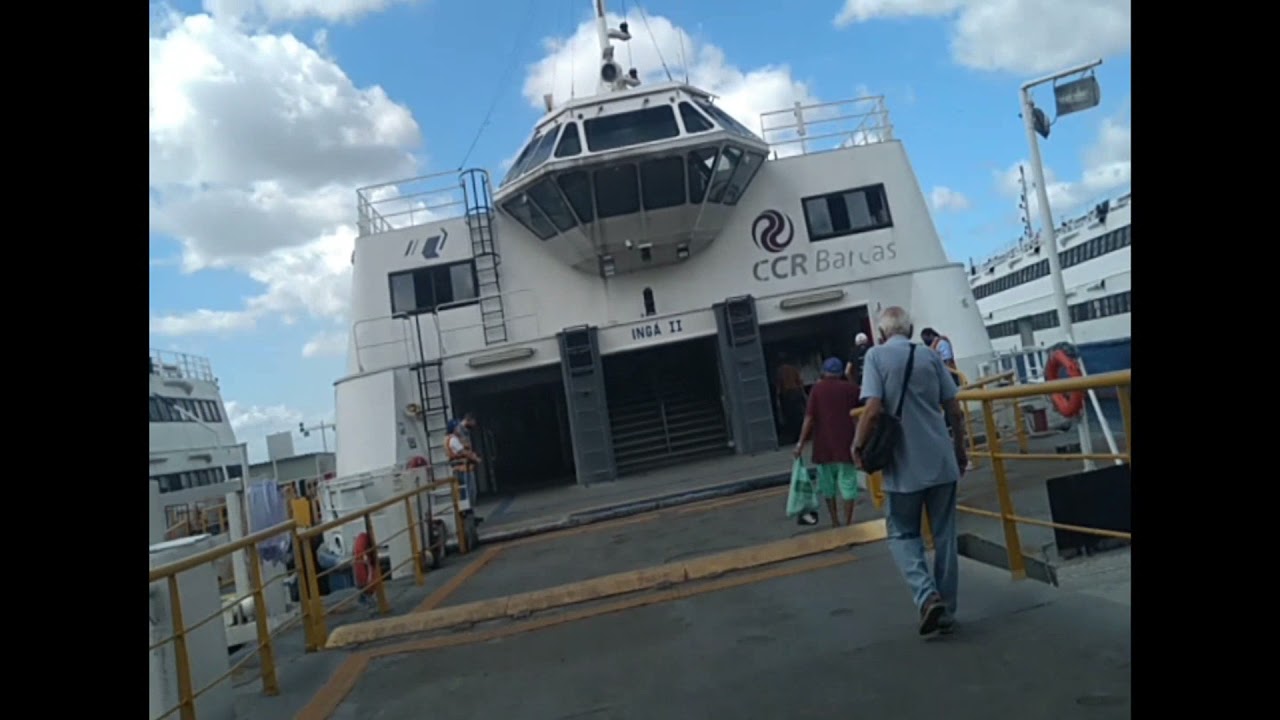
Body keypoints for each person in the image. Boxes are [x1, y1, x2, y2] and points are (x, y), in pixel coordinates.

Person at [854, 307, 968, 636]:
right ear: (911, 328)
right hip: (941, 459)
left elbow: (873, 409)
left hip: (903, 466)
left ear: (881, 333)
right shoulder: (930, 356)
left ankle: (927, 596)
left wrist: (857, 445)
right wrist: (960, 450)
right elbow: (954, 410)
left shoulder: (876, 357)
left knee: (902, 534)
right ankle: (947, 610)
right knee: (945, 535)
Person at [793, 357, 862, 527]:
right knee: (848, 485)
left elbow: (809, 418)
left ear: (824, 371)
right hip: (847, 444)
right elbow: (862, 406)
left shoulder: (817, 389)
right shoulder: (850, 389)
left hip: (824, 447)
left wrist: (800, 443)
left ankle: (835, 521)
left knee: (828, 486)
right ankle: (848, 522)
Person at [445, 419, 481, 504]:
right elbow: (463, 452)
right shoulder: (453, 440)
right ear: (454, 429)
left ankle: (468, 509)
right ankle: (466, 509)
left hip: (462, 469)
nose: (459, 428)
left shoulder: (452, 439)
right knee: (467, 492)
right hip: (461, 470)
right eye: (457, 427)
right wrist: (475, 458)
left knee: (467, 491)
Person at [775, 355, 808, 444]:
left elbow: (778, 386)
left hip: (787, 395)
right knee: (800, 415)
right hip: (796, 392)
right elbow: (800, 382)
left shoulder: (779, 371)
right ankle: (804, 434)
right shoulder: (793, 369)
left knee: (790, 417)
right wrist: (804, 394)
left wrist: (778, 400)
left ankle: (796, 436)